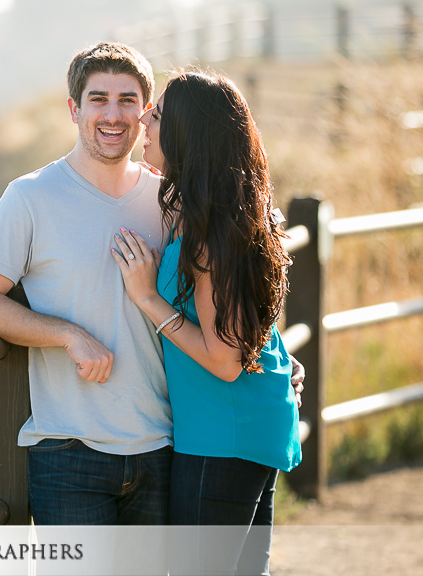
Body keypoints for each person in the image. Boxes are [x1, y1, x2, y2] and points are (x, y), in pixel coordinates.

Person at [0, 43, 304, 530]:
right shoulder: (30, 197)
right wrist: (68, 335)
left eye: (129, 101)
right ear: (74, 109)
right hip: (69, 451)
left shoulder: (174, 199)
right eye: (98, 99)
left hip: (166, 446)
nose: (113, 115)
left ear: (145, 114)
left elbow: (226, 293)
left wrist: (274, 361)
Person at [111, 68, 302, 574]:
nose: (144, 119)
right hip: (246, 426)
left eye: (158, 114)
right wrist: (285, 359)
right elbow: (241, 322)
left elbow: (225, 360)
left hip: (222, 436)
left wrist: (148, 299)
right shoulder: (224, 214)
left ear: (187, 136)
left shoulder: (213, 234)